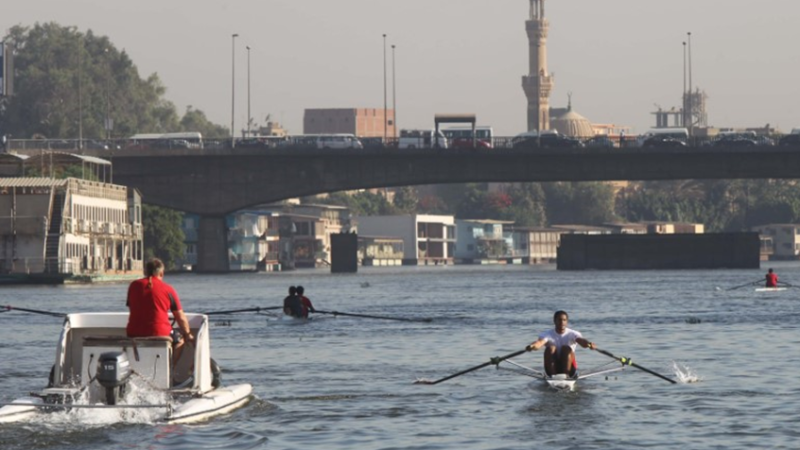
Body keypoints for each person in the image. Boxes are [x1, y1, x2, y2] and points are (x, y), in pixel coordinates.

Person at [126, 258, 194, 369]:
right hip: (160, 333)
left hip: (133, 333)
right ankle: (168, 369)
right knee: (180, 339)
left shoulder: (133, 286)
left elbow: (133, 308)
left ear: (145, 271)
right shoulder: (168, 289)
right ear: (161, 273)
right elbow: (180, 317)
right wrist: (188, 334)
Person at [526, 310, 595, 377]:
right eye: (559, 320)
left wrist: (588, 344)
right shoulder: (547, 334)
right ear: (554, 321)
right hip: (552, 368)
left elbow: (581, 341)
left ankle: (566, 375)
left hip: (570, 368)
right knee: (551, 348)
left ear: (567, 321)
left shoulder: (573, 334)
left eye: (564, 320)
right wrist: (532, 346)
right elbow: (539, 343)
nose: (562, 322)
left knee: (566, 348)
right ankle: (553, 376)